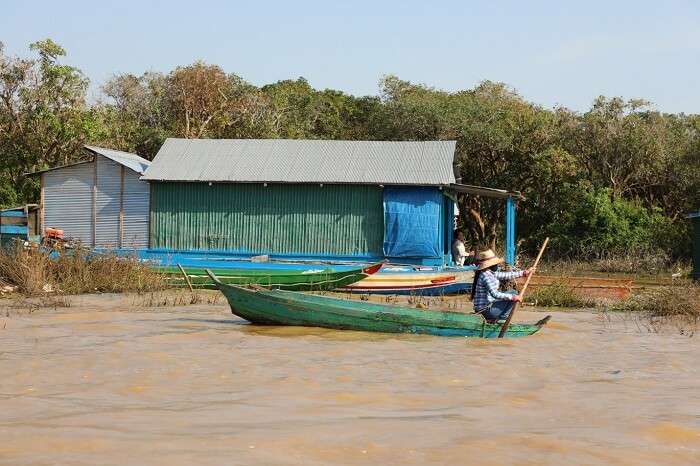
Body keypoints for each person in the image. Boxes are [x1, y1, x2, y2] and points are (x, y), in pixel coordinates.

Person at [471, 249, 533, 323]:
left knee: (513, 291)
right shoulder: (486, 275)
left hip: (486, 308)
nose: (497, 265)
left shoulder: (489, 273)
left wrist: (524, 272)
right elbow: (495, 294)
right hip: (486, 311)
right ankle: (503, 318)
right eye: (495, 264)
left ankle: (499, 318)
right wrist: (513, 297)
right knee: (513, 294)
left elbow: (506, 275)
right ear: (490, 265)